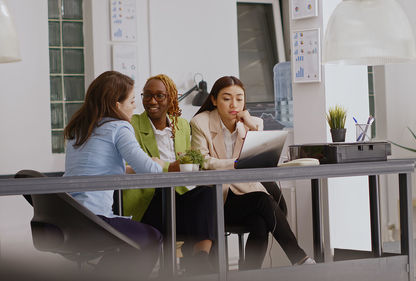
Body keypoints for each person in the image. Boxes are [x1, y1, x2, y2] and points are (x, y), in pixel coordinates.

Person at [190, 76, 315, 270]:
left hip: (243, 194)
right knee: (263, 201)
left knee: (260, 223)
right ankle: (299, 258)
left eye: (239, 99)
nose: (234, 104)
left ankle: (249, 274)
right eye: (227, 98)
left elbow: (260, 158)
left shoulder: (252, 123)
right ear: (214, 100)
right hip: (215, 199)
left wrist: (250, 125)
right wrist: (236, 164)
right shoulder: (201, 122)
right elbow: (203, 161)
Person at [63, 70, 163, 279]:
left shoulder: (80, 129)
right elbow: (152, 172)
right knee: (151, 238)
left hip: (67, 216)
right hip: (93, 218)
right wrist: (157, 162)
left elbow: (92, 168)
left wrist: (128, 169)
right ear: (116, 105)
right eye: (132, 101)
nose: (135, 106)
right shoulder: (119, 127)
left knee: (129, 243)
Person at [123, 74, 216, 273]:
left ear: (171, 98)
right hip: (149, 200)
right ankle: (194, 266)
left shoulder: (181, 125)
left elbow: (190, 160)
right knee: (183, 203)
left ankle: (200, 260)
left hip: (180, 196)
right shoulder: (132, 125)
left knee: (207, 195)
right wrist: (168, 167)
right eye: (147, 95)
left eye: (159, 96)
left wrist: (188, 163)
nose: (152, 101)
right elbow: (130, 166)